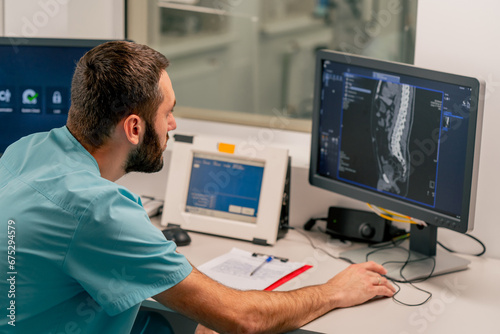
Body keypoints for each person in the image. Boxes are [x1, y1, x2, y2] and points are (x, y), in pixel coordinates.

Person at [0, 41, 395, 334]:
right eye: (168, 113)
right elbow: (245, 318)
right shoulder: (98, 211)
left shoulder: (24, 151)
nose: (172, 125)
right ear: (134, 128)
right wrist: (332, 291)